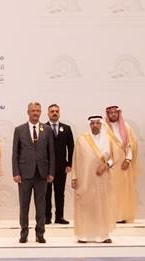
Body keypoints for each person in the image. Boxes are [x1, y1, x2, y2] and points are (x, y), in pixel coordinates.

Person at [12, 101, 55, 244]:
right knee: (24, 206)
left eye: (37, 111)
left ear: (40, 112)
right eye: (33, 111)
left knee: (41, 206)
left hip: (42, 174)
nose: (35, 113)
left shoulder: (47, 130)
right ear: (28, 112)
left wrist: (51, 172)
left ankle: (40, 234)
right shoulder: (19, 130)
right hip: (24, 175)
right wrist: (16, 172)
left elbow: (51, 153)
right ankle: (24, 233)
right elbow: (15, 153)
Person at [73, 115, 117, 243]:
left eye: (98, 123)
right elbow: (75, 159)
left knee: (102, 206)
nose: (95, 126)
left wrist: (106, 165)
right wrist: (74, 177)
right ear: (89, 125)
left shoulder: (109, 139)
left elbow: (115, 157)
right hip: (85, 179)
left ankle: (102, 235)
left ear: (101, 124)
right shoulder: (82, 140)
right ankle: (83, 235)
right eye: (92, 123)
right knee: (85, 206)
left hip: (102, 179)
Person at [104, 105, 138, 224]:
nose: (113, 114)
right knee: (110, 191)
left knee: (123, 191)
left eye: (115, 112)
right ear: (108, 114)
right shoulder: (103, 128)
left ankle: (122, 215)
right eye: (111, 112)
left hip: (123, 165)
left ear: (119, 113)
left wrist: (128, 160)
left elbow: (131, 145)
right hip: (109, 165)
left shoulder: (126, 127)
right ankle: (110, 216)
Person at [44, 104, 73, 224]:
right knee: (46, 193)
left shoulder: (66, 128)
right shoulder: (42, 128)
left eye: (56, 111)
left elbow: (71, 147)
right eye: (52, 111)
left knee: (60, 193)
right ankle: (46, 217)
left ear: (59, 113)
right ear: (48, 114)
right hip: (46, 167)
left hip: (61, 167)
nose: (54, 113)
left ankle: (59, 217)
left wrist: (69, 164)